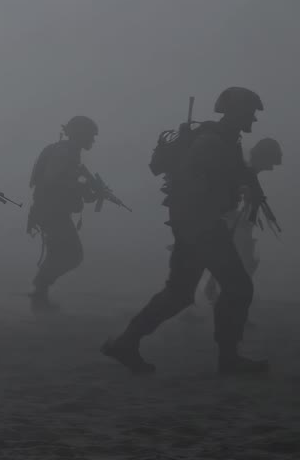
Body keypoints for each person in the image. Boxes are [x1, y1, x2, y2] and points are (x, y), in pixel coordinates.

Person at [102, 87, 268, 374]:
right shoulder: (211, 142)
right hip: (201, 226)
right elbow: (196, 183)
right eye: (250, 112)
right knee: (238, 287)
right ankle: (228, 358)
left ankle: (126, 343)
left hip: (194, 225)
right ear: (236, 111)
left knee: (179, 293)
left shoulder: (225, 141)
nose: (253, 118)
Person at [27, 115, 99, 313]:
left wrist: (86, 190)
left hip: (53, 210)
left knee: (59, 253)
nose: (92, 140)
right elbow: (52, 181)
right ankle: (39, 290)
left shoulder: (71, 152)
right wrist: (82, 189)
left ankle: (39, 295)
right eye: (90, 136)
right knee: (73, 254)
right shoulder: (64, 152)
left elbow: (64, 182)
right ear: (80, 135)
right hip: (51, 211)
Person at [202, 137, 281, 307]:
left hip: (231, 219)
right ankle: (225, 301)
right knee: (238, 261)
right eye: (270, 161)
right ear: (263, 157)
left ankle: (218, 294)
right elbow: (233, 195)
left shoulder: (249, 169)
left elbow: (249, 204)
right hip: (221, 217)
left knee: (240, 259)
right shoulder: (243, 167)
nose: (271, 168)